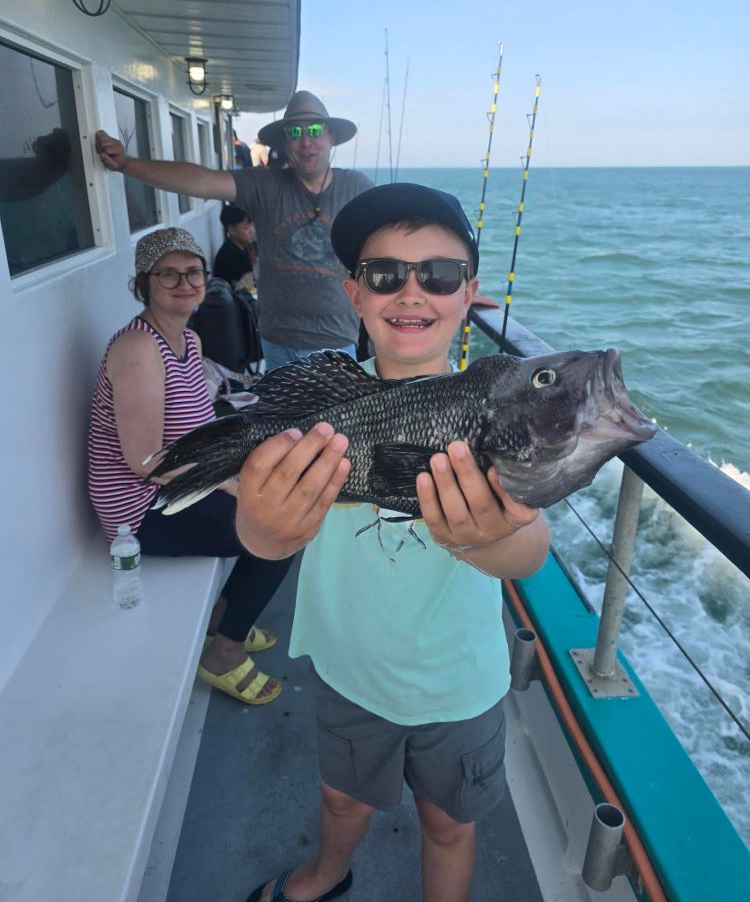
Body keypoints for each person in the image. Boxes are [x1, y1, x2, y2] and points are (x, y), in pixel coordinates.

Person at [233, 183, 551, 902]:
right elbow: (262, 536)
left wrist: (488, 537)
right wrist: (264, 527)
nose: (411, 292)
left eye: (438, 275)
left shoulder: (497, 414)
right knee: (341, 797)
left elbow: (529, 550)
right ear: (354, 294)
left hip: (459, 683)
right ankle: (326, 871)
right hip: (352, 670)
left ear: (469, 294)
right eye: (384, 275)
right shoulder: (319, 412)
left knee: (449, 824)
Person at [88, 227, 293, 705]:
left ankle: (225, 616)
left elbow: (194, 434)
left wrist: (241, 465)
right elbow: (145, 462)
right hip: (138, 510)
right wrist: (230, 483)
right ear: (144, 284)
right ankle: (224, 652)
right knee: (280, 529)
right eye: (168, 275)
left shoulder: (189, 341)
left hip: (174, 488)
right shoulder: (138, 348)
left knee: (278, 490)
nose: (185, 283)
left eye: (194, 272)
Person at [95, 91, 372, 373]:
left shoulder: (356, 188)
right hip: (278, 342)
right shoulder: (265, 185)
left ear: (330, 137)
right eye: (294, 132)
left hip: (337, 342)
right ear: (284, 142)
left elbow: (389, 241)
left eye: (314, 130)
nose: (306, 141)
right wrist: (127, 164)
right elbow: (201, 180)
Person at [215, 203, 259, 290]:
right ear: (232, 230)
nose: (252, 231)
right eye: (246, 228)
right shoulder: (229, 256)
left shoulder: (243, 247)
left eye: (252, 225)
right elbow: (246, 290)